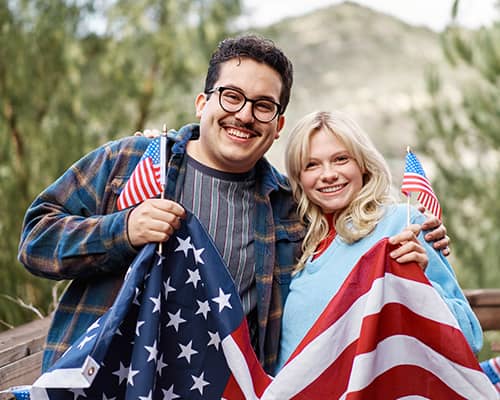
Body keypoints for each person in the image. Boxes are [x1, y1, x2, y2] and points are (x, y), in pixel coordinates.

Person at [18, 35, 449, 375]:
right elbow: (35, 239)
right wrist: (123, 229)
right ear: (203, 102)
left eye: (263, 106)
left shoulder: (286, 205)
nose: (244, 115)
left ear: (277, 126)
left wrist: (418, 248)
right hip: (106, 382)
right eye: (231, 96)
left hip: (220, 390)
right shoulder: (129, 161)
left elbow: (345, 251)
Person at [276, 110, 483, 371]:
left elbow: (469, 338)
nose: (327, 174)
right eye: (311, 165)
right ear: (299, 178)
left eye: (340, 159)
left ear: (362, 163)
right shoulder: (296, 242)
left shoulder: (402, 223)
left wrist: (421, 285)